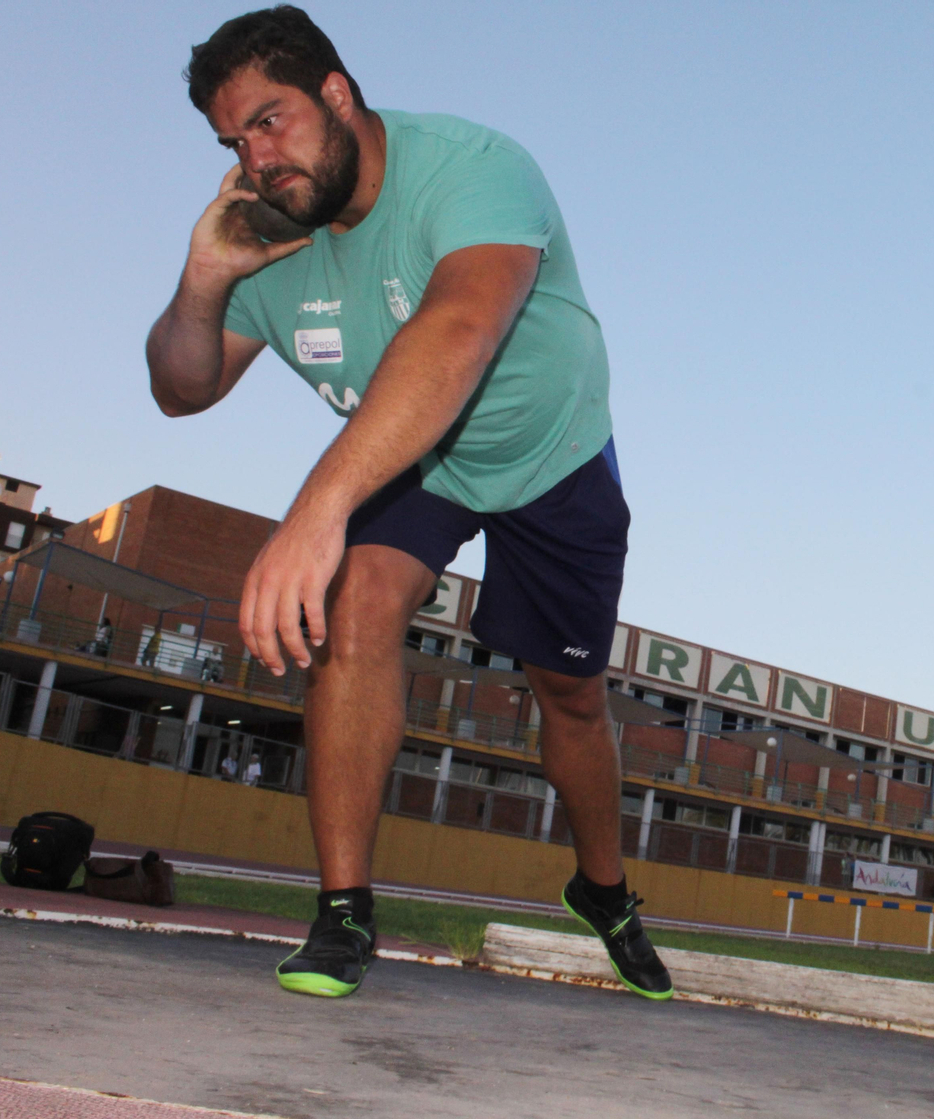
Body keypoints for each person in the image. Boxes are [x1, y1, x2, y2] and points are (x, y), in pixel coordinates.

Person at [146, 6, 671, 1002]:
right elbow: (183, 386)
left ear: (337, 93)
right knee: (357, 606)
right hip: (410, 459)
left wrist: (316, 512)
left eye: (271, 121)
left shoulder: (473, 166)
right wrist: (204, 279)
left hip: (546, 454)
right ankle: (344, 913)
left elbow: (459, 328)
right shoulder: (274, 235)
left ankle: (603, 891)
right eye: (233, 142)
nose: (257, 161)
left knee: (569, 695)